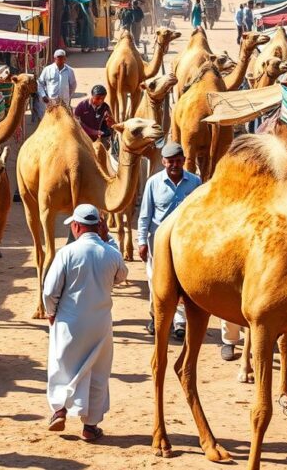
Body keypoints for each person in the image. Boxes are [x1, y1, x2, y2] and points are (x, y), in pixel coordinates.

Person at [44, 204, 128, 442]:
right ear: (99, 226)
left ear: (77, 226)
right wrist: (108, 240)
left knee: (62, 366)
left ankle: (59, 410)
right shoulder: (110, 253)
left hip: (69, 322)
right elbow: (122, 274)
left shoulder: (67, 253)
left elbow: (50, 290)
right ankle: (90, 427)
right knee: (98, 373)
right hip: (100, 324)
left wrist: (51, 312)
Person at [136, 142, 201, 339]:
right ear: (163, 161)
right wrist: (142, 241)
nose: (174, 165)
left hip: (184, 241)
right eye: (170, 161)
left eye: (178, 161)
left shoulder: (195, 182)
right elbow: (145, 215)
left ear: (184, 161)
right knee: (156, 279)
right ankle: (156, 315)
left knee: (182, 280)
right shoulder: (153, 183)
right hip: (158, 240)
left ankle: (179, 322)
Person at [36, 49, 78, 117]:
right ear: (55, 59)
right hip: (51, 102)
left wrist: (68, 95)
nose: (61, 60)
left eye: (62, 58)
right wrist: (43, 95)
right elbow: (40, 83)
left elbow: (73, 85)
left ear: (65, 59)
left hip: (64, 102)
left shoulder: (70, 71)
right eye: (59, 58)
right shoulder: (47, 69)